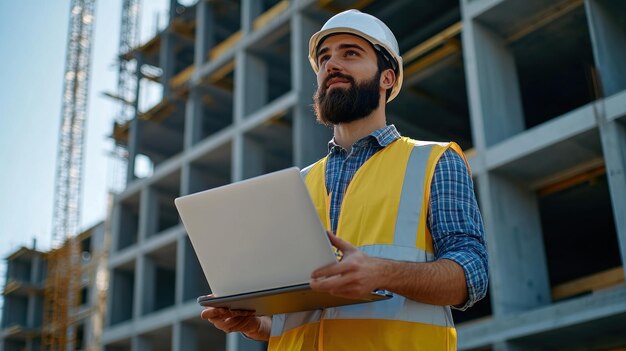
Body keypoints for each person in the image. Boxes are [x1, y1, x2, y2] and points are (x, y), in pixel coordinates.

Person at [201, 9, 488, 350]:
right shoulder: (300, 184)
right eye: (324, 58)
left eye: (350, 53)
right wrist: (256, 323)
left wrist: (382, 273)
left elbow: (472, 275)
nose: (331, 65)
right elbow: (300, 311)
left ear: (388, 78)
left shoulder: (434, 161)